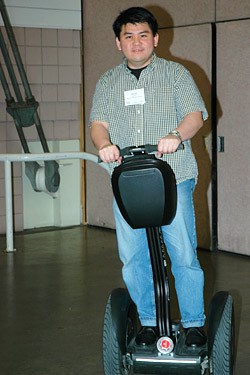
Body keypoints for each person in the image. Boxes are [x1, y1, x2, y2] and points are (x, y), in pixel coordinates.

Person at [89, 6, 208, 347]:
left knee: (183, 252)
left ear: (155, 39)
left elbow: (194, 116)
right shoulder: (108, 82)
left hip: (173, 177)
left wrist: (175, 135)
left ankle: (194, 322)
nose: (136, 42)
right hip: (128, 181)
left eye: (143, 35)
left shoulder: (176, 74)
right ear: (118, 42)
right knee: (133, 255)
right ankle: (149, 322)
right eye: (129, 36)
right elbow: (99, 124)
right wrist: (105, 144)